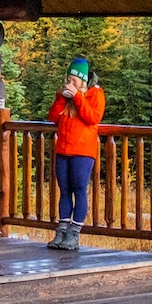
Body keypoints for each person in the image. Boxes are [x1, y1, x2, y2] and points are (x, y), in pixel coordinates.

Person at [46, 57, 105, 251]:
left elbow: (93, 117)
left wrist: (78, 98)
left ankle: (74, 233)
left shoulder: (95, 95)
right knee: (64, 191)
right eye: (68, 79)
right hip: (63, 148)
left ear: (82, 81)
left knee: (79, 189)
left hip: (83, 150)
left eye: (74, 80)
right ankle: (61, 230)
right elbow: (53, 117)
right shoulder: (65, 96)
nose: (70, 83)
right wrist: (62, 98)